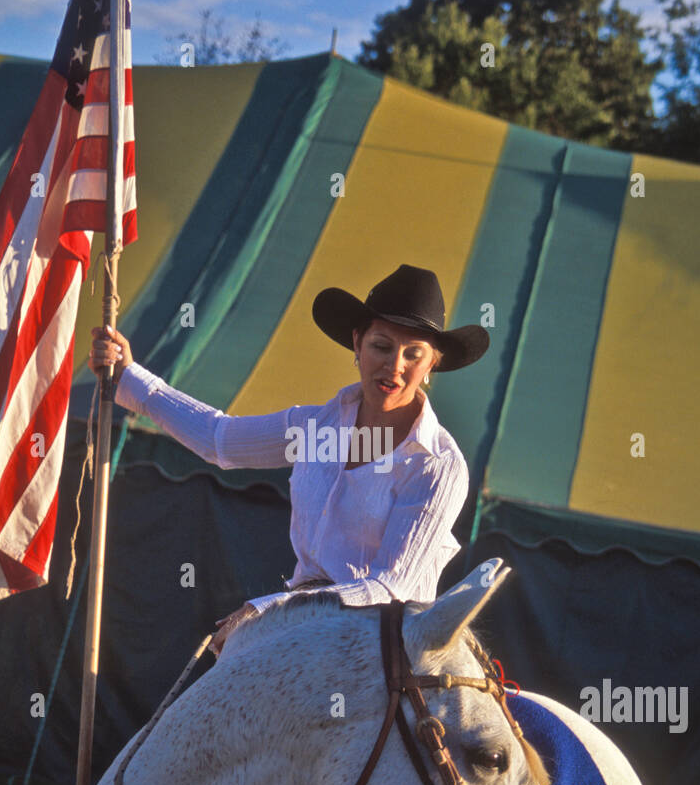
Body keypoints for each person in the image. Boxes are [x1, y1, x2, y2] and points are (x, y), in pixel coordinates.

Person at [88, 265, 489, 655]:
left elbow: (390, 588)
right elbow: (219, 440)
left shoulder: (437, 464)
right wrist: (128, 376)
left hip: (387, 653)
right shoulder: (313, 427)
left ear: (432, 363)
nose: (395, 366)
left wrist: (269, 609)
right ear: (357, 344)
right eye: (381, 346)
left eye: (413, 354)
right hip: (302, 628)